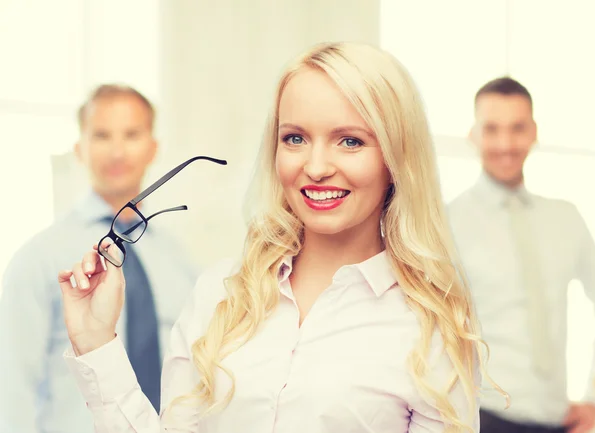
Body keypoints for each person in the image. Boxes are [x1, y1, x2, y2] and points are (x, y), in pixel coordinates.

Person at [58, 43, 494, 433]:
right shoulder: (219, 294)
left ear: (396, 156)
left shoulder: (431, 325)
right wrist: (96, 342)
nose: (317, 165)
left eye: (350, 141)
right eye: (296, 138)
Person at [0, 84, 198, 433]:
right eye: (102, 135)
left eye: (132, 134)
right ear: (80, 149)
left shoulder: (181, 261)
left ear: (153, 148)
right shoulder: (37, 259)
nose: (117, 151)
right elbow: (13, 387)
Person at [447, 77, 595, 433]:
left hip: (558, 421)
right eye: (492, 129)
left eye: (517, 128)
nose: (505, 144)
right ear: (474, 135)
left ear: (534, 132)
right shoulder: (446, 221)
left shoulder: (567, 217)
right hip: (483, 418)